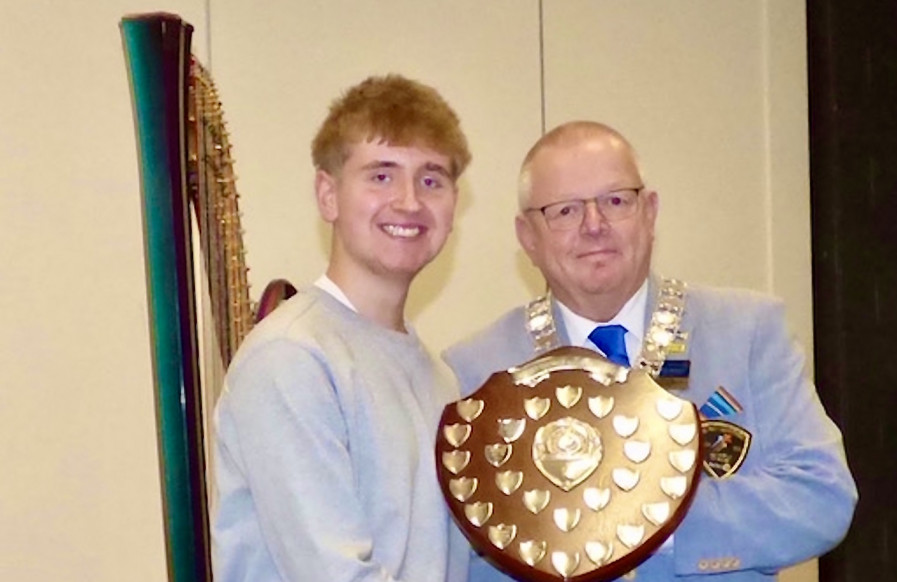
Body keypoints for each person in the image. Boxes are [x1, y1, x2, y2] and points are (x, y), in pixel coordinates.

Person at [443, 121, 857, 581]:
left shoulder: (747, 332)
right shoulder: (475, 372)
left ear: (650, 212)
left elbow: (822, 497)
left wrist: (643, 513)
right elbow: (459, 554)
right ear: (528, 237)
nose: (594, 225)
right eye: (564, 211)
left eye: (615, 201)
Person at [211, 74, 471, 581]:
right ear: (327, 195)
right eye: (381, 175)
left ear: (453, 206)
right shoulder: (290, 358)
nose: (410, 201)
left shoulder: (440, 378)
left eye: (431, 179)